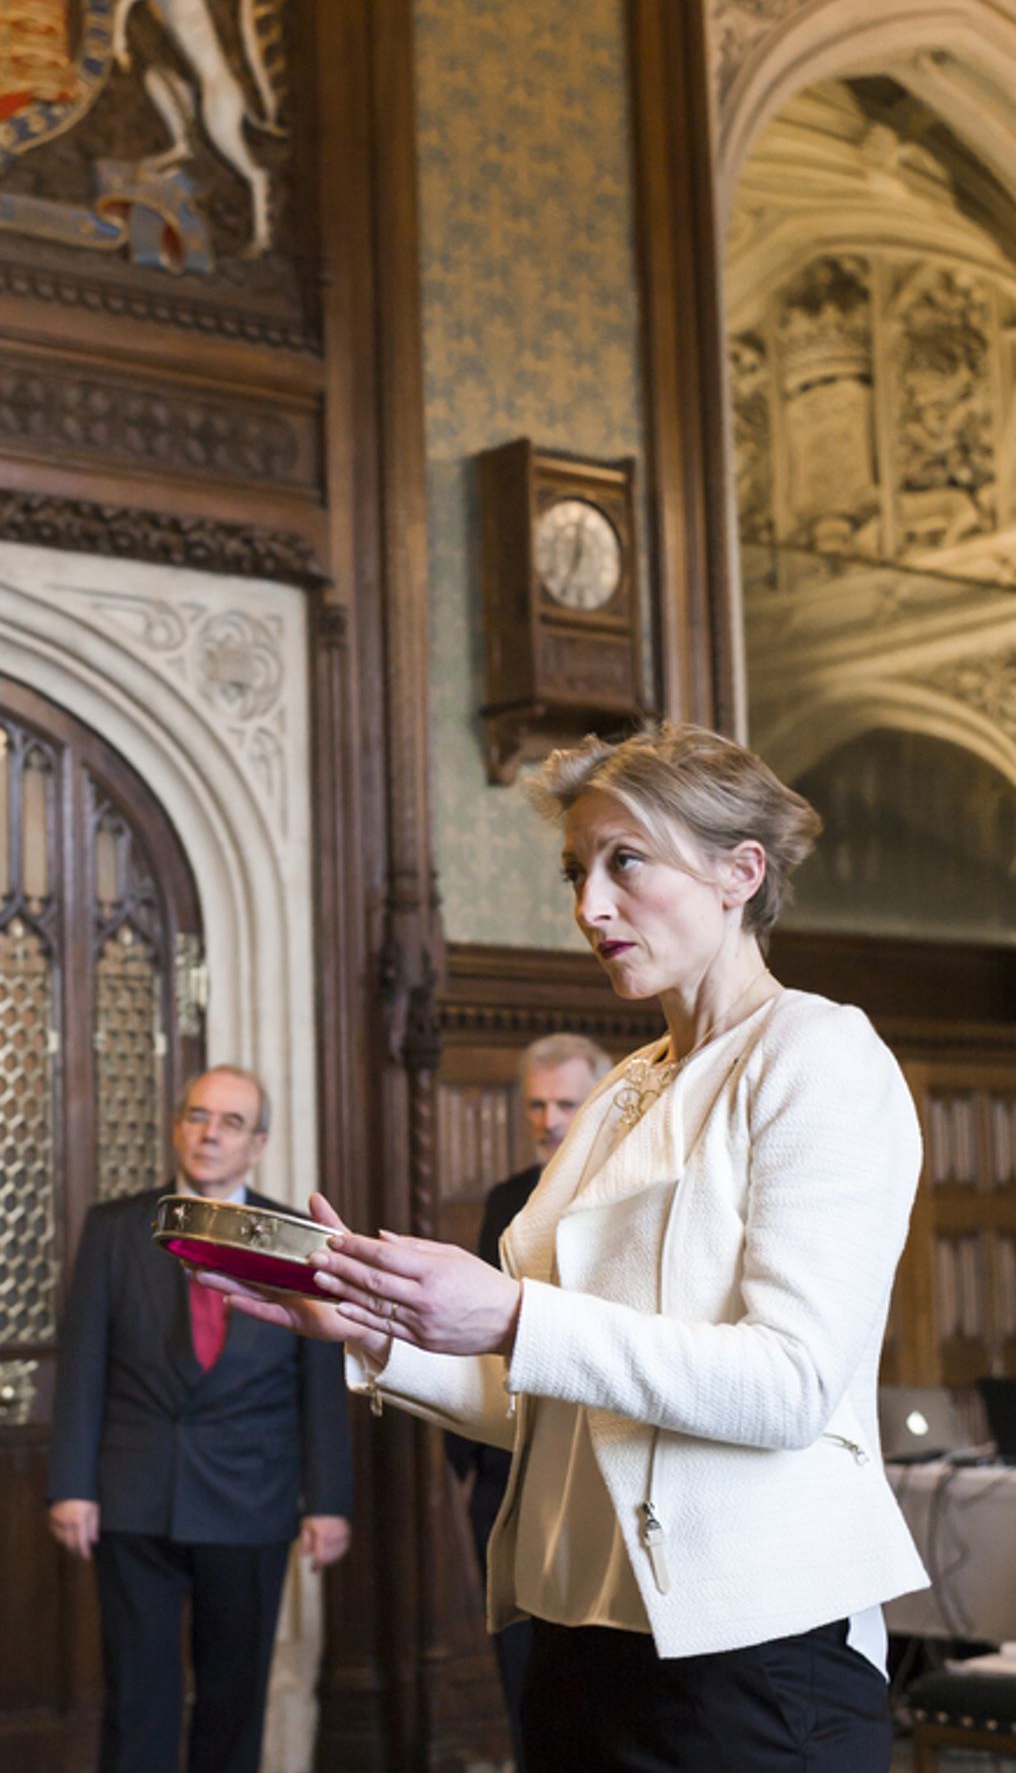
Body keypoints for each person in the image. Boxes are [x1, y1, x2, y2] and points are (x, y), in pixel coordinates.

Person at [205, 724, 929, 1772]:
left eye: (623, 861)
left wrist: (507, 1314)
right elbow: (563, 1398)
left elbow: (787, 1385)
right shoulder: (625, 1087)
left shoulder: (817, 1054)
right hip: (582, 1638)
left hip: (753, 1651)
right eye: (575, 871)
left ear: (739, 872)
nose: (589, 906)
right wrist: (375, 1332)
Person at [47, 1065, 353, 1773]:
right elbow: (83, 1363)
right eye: (197, 1115)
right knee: (136, 1695)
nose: (210, 1133)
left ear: (259, 1143)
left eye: (232, 1121)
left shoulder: (295, 1236)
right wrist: (71, 1484)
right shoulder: (115, 1227)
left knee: (234, 1695)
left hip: (253, 1498)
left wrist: (328, 1499)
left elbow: (319, 1378)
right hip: (132, 1497)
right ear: (178, 1125)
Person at [450, 1034, 611, 1770]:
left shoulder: (621, 1193)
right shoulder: (508, 1199)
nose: (548, 1119)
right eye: (537, 1104)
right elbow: (482, 1334)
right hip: (508, 1464)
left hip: (601, 1462)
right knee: (525, 1686)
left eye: (566, 1104)